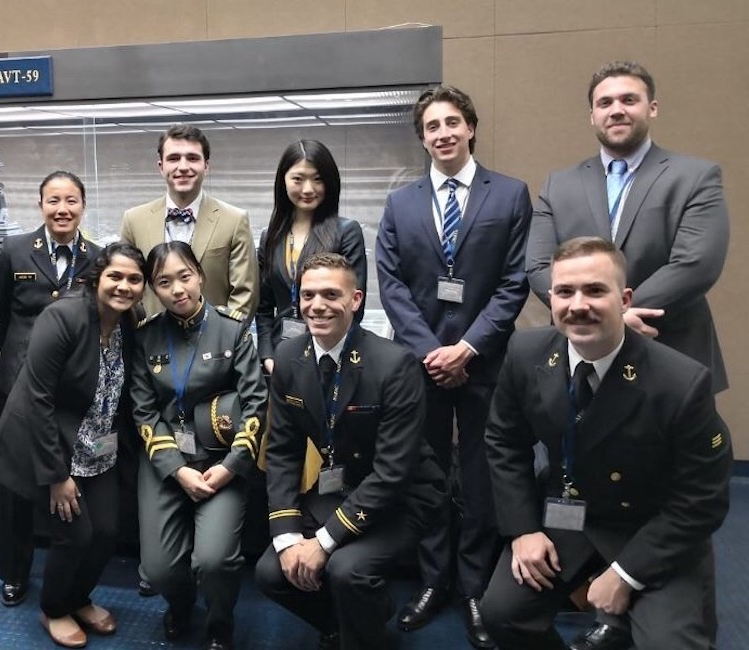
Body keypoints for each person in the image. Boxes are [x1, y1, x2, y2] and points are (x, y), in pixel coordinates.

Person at [524, 61, 729, 650]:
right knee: (586, 475)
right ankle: (600, 594)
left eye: (629, 100)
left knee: (678, 492)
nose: (617, 109)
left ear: (651, 108)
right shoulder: (561, 184)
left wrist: (619, 315)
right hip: (585, 358)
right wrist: (602, 313)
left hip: (670, 360)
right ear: (591, 114)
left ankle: (672, 600)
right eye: (605, 102)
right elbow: (539, 267)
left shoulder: (693, 175)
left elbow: (698, 262)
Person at [479, 236, 732, 650]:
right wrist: (522, 528)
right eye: (564, 291)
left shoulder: (680, 382)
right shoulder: (526, 354)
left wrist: (626, 574)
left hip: (651, 526)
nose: (578, 304)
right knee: (502, 615)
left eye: (595, 290)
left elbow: (702, 498)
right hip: (568, 514)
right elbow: (504, 441)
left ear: (625, 298)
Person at [375, 85, 531, 648]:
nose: (441, 133)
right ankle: (432, 579)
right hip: (421, 365)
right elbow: (390, 286)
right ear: (422, 137)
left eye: (451, 123)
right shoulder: (401, 203)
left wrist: (467, 348)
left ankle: (473, 585)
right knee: (427, 473)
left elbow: (516, 282)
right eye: (431, 127)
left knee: (483, 473)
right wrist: (430, 351)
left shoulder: (510, 195)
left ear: (470, 127)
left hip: (484, 362)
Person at [255, 253, 446, 650]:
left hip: (404, 497)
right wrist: (288, 537)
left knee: (346, 571)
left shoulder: (395, 364)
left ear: (356, 299)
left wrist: (324, 542)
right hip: (338, 490)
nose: (317, 305)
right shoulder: (289, 358)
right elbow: (283, 452)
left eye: (331, 294)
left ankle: (361, 633)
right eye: (308, 295)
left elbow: (394, 472)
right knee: (272, 571)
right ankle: (346, 623)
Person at [0, 242, 147, 648]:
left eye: (134, 279)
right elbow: (37, 398)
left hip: (98, 448)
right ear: (97, 277)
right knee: (74, 536)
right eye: (115, 276)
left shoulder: (129, 323)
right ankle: (55, 608)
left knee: (107, 531)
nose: (123, 286)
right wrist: (57, 476)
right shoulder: (63, 316)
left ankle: (78, 599)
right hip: (50, 447)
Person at [131, 241, 267, 650]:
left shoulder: (232, 328)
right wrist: (176, 468)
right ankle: (182, 603)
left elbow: (256, 401)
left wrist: (232, 465)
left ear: (201, 276)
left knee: (213, 561)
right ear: (154, 289)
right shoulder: (146, 337)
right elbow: (143, 412)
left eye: (184, 276)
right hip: (167, 461)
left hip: (222, 459)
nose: (177, 289)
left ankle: (220, 622)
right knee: (157, 570)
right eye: (164, 282)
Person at [0, 171, 102, 607]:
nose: (62, 209)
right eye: (53, 200)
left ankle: (72, 563)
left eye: (71, 200)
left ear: (83, 206)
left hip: (74, 391)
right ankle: (14, 572)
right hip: (18, 386)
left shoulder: (96, 257)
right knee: (17, 485)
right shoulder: (14, 251)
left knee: (71, 480)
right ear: (40, 205)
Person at [121, 123, 259, 318]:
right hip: (150, 342)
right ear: (161, 166)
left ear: (206, 166)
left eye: (192, 158)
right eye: (174, 158)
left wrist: (223, 337)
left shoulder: (234, 220)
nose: (183, 167)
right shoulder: (133, 220)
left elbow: (245, 294)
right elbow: (127, 288)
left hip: (218, 343)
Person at [256, 140, 367, 375]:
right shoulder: (270, 237)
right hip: (280, 357)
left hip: (328, 356)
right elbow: (263, 307)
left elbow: (355, 306)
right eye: (298, 179)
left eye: (317, 179)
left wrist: (329, 354)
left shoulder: (346, 232)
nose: (308, 189)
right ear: (283, 181)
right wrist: (267, 356)